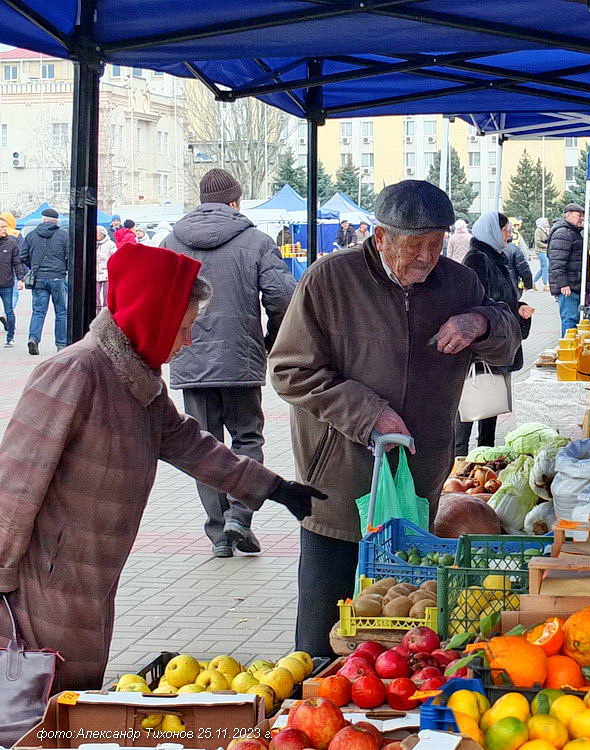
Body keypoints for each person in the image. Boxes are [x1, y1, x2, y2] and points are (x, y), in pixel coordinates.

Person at [0, 242, 325, 693]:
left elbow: (191, 444)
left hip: (92, 574)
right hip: (44, 579)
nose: (188, 340)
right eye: (183, 327)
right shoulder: (75, 372)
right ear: (150, 316)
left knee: (73, 693)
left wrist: (274, 487)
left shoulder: (137, 379)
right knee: (38, 699)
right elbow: (15, 482)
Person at [269, 180, 520, 656]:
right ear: (381, 237)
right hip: (341, 484)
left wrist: (481, 322)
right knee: (326, 630)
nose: (427, 257)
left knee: (408, 629)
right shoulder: (330, 280)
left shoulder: (458, 283)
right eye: (415, 245)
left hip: (418, 486)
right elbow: (289, 371)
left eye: (436, 244)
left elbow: (508, 343)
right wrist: (369, 413)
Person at [161, 168, 297, 558]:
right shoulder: (256, 241)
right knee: (248, 439)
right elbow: (283, 298)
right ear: (235, 202)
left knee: (204, 445)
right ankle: (240, 516)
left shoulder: (171, 242)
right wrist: (270, 341)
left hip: (189, 358)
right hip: (240, 360)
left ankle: (220, 533)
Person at [455, 212, 534, 457]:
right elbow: (476, 302)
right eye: (504, 229)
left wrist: (517, 307)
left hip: (497, 341)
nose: (509, 233)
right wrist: (507, 311)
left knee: (491, 403)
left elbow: (501, 298)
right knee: (470, 403)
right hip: (483, 345)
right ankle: (458, 460)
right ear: (491, 231)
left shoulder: (496, 257)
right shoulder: (477, 259)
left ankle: (485, 458)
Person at [21, 208, 69, 355]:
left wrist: (34, 267)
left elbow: (23, 256)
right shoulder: (64, 235)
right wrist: (64, 268)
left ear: (43, 219)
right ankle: (61, 344)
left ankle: (33, 338)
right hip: (58, 277)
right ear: (56, 221)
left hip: (38, 278)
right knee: (61, 312)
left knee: (38, 311)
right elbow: (69, 256)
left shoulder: (31, 235)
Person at [547, 203, 590, 336]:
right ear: (568, 214)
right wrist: (563, 284)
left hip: (574, 284)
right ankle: (567, 346)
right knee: (570, 321)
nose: (581, 218)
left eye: (582, 215)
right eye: (579, 215)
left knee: (574, 321)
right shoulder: (563, 233)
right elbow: (557, 262)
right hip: (568, 287)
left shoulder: (572, 232)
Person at [0, 216, 26, 348]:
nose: (4, 229)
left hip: (7, 283)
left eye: (5, 227)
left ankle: (10, 337)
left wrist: (21, 279)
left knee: (9, 311)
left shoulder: (11, 243)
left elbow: (17, 262)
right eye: (1, 227)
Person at [95, 225, 116, 311]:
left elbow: (114, 258)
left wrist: (99, 254)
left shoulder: (110, 244)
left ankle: (106, 309)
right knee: (95, 292)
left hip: (107, 271)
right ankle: (97, 309)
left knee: (106, 293)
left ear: (102, 234)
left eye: (97, 234)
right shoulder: (93, 243)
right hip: (96, 271)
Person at [532, 217, 550, 291]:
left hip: (545, 251)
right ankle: (545, 284)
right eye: (546, 222)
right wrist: (546, 246)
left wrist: (548, 233)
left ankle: (533, 282)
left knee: (543, 268)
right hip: (541, 251)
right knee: (545, 267)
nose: (547, 223)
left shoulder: (545, 230)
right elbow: (537, 242)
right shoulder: (538, 230)